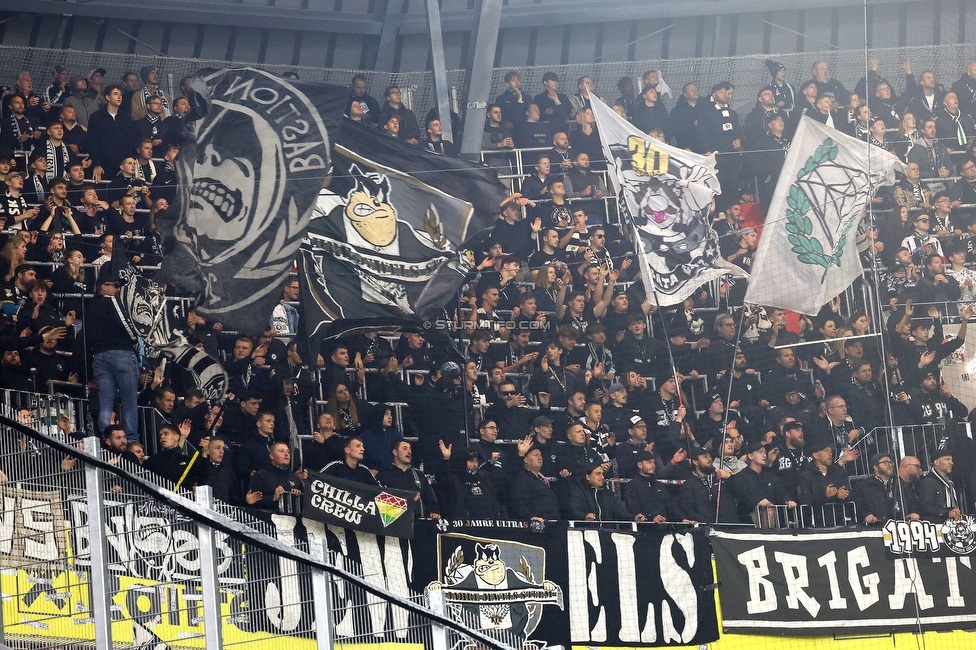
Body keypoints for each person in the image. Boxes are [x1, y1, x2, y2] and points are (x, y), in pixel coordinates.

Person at [84, 267, 139, 441]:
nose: (117, 289)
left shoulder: (90, 306)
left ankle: (106, 438)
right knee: (129, 401)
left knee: (106, 403)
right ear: (103, 287)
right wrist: (134, 338)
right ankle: (130, 439)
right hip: (121, 353)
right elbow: (124, 323)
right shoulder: (112, 301)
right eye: (114, 285)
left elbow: (87, 336)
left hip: (100, 357)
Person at [730, 441, 796, 525]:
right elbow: (743, 498)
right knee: (768, 511)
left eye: (765, 452)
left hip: (774, 515)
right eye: (760, 452)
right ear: (750, 456)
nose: (764, 455)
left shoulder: (770, 476)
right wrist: (758, 502)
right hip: (749, 518)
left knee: (772, 511)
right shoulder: (741, 477)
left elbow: (781, 492)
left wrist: (788, 500)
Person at [377, 440, 440, 519]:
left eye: (410, 449)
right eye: (405, 448)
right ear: (395, 452)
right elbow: (380, 502)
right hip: (395, 525)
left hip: (419, 524)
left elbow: (430, 497)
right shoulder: (384, 475)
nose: (409, 451)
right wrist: (409, 498)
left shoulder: (418, 474)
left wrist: (434, 511)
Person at [623, 451, 690, 523]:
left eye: (653, 462)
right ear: (640, 465)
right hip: (643, 529)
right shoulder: (632, 486)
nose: (653, 465)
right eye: (649, 462)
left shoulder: (659, 485)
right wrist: (651, 518)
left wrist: (682, 519)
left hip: (663, 529)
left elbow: (670, 506)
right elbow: (633, 509)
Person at [679, 446, 737, 523]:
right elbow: (688, 509)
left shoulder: (722, 477)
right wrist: (706, 523)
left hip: (730, 526)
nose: (710, 459)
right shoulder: (689, 484)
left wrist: (730, 476)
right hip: (705, 529)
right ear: (695, 461)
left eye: (710, 456)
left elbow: (740, 490)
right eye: (705, 457)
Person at [245, 442, 305, 512]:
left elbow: (306, 505)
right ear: (271, 456)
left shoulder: (295, 478)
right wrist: (273, 498)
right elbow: (253, 502)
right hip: (267, 520)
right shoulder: (260, 475)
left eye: (288, 452)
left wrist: (298, 496)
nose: (286, 454)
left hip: (293, 520)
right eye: (281, 451)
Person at [566, 461, 635, 521]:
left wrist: (634, 517)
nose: (602, 477)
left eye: (602, 474)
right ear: (588, 477)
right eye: (598, 474)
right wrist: (584, 517)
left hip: (607, 531)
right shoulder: (577, 492)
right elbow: (574, 510)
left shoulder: (608, 494)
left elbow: (619, 511)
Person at [509, 447, 561, 521]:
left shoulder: (541, 479)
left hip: (551, 523)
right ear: (525, 459)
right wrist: (529, 517)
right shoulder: (522, 478)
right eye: (535, 455)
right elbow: (518, 502)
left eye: (540, 455)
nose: (540, 458)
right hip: (536, 526)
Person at [918, 447, 963, 521]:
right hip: (937, 525)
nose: (951, 463)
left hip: (951, 524)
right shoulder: (928, 482)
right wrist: (946, 513)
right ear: (936, 462)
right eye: (947, 459)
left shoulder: (950, 482)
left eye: (951, 460)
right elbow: (925, 508)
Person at [853, 452, 897, 525]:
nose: (889, 465)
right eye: (885, 462)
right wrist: (866, 515)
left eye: (890, 462)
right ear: (876, 467)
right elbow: (859, 507)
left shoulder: (898, 483)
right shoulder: (864, 486)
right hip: (875, 527)